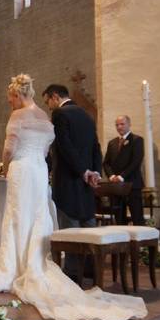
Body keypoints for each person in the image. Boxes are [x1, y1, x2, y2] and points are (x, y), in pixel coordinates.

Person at [0, 74, 146, 320]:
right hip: (45, 172)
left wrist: (5, 166)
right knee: (49, 218)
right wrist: (93, 171)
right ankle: (75, 269)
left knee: (39, 219)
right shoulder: (79, 115)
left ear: (19, 95)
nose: (10, 103)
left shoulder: (51, 116)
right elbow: (94, 146)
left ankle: (63, 271)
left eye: (11, 98)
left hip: (38, 173)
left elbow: (55, 148)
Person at [41, 83, 103, 282]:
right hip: (87, 184)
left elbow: (64, 146)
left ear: (55, 96)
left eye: (48, 101)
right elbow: (96, 147)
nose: (49, 106)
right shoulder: (86, 115)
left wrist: (82, 171)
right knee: (88, 228)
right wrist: (95, 172)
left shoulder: (60, 114)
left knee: (70, 229)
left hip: (68, 181)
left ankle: (72, 274)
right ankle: (93, 271)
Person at [103, 115, 145, 224]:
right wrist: (112, 176)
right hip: (117, 187)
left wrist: (121, 176)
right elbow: (106, 163)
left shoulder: (137, 140)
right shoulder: (112, 143)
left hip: (132, 185)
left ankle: (139, 241)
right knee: (119, 219)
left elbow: (136, 162)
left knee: (137, 218)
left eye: (122, 124)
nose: (119, 127)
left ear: (129, 124)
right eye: (117, 125)